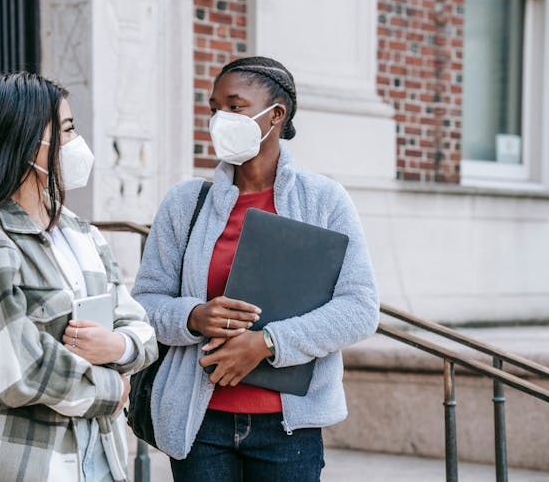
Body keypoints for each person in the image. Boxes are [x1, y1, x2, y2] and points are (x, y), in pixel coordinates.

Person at [132, 56, 380, 481]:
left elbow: (360, 308)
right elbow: (144, 303)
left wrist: (267, 343)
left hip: (288, 431)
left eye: (234, 106)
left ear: (275, 116)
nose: (218, 119)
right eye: (213, 107)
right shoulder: (185, 202)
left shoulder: (324, 200)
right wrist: (192, 316)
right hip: (199, 425)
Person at [0, 72, 157, 481]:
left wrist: (119, 345)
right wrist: (111, 389)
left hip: (97, 457)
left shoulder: (81, 233)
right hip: (18, 462)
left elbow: (139, 325)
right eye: (66, 129)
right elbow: (13, 369)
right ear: (24, 140)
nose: (76, 143)